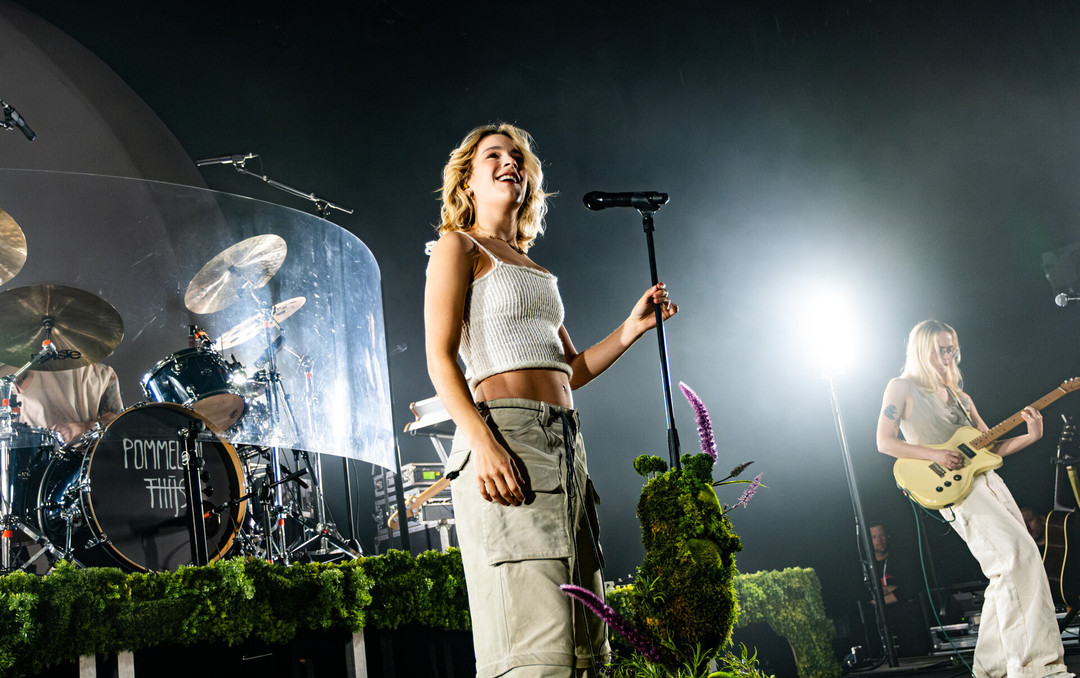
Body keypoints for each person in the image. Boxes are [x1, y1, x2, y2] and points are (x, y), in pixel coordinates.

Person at [424, 123, 677, 677]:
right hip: (506, 434)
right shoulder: (458, 246)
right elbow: (439, 359)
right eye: (493, 155)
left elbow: (570, 370)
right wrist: (483, 444)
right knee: (536, 645)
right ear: (467, 181)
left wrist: (630, 330)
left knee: (582, 643)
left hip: (564, 443)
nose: (510, 162)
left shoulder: (533, 269)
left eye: (517, 156)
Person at [876, 320, 1070, 677]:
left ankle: (991, 668)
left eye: (951, 348)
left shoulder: (961, 397)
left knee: (1011, 566)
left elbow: (990, 447)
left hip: (990, 481)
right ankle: (1035, 668)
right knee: (1017, 558)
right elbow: (884, 442)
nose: (947, 355)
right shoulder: (901, 387)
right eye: (939, 348)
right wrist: (935, 454)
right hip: (955, 489)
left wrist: (1031, 436)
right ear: (921, 349)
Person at [1, 363, 123, 444]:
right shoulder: (24, 368)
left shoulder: (104, 374)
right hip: (35, 460)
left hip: (86, 463)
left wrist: (87, 427)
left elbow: (119, 424)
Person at [867, 521, 930, 656]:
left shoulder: (900, 560)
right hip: (881, 629)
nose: (879, 540)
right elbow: (865, 598)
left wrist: (878, 598)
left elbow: (909, 590)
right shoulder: (866, 567)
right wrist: (890, 589)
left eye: (881, 535)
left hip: (907, 625)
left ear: (887, 536)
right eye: (874, 537)